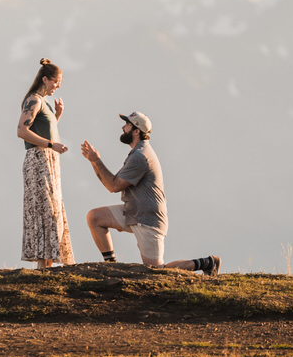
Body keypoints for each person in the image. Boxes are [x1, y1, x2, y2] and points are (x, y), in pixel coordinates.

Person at [81, 111, 221, 275]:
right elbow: (111, 184)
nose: (122, 127)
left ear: (136, 131)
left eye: (127, 125)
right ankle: (112, 266)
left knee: (157, 271)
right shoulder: (137, 152)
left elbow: (113, 186)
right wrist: (94, 161)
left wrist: (96, 161)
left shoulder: (140, 156)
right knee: (95, 217)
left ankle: (207, 263)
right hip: (134, 211)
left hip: (148, 218)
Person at [16, 59, 75, 269]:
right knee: (45, 209)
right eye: (55, 82)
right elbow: (22, 131)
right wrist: (51, 144)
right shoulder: (33, 100)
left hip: (48, 160)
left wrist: (57, 116)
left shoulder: (43, 102)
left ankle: (47, 263)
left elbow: (40, 130)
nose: (57, 86)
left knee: (52, 208)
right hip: (39, 160)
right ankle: (42, 264)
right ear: (45, 79)